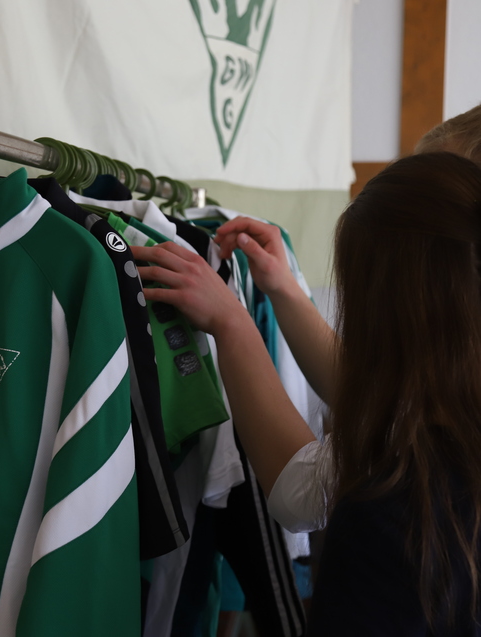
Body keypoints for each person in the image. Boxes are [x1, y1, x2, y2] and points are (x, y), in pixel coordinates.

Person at [131, 152, 481, 634]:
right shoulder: (451, 418)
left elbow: (304, 489)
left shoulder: (401, 497)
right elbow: (381, 400)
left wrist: (232, 321)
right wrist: (284, 291)